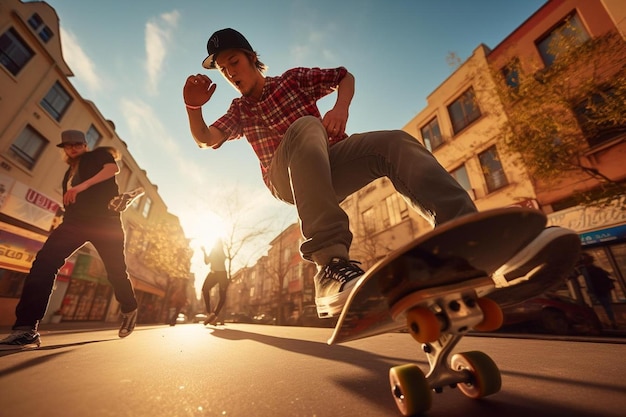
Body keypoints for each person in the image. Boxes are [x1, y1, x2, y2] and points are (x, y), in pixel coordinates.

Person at [182, 28, 573, 319]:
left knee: (394, 142)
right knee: (305, 126)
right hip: (287, 181)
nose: (230, 72)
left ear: (251, 57)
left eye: (233, 62)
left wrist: (341, 108)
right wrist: (193, 108)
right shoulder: (239, 111)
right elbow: (204, 139)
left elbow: (344, 76)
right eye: (222, 68)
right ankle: (332, 266)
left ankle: (472, 242)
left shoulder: (293, 79)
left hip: (330, 164)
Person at [0, 130, 138, 350]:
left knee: (115, 271)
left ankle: (129, 307)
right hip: (76, 222)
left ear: (85, 145)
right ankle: (26, 329)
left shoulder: (97, 155)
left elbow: (113, 169)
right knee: (44, 262)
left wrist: (80, 187)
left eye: (77, 144)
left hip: (106, 223)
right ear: (64, 148)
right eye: (67, 145)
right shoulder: (68, 174)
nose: (72, 148)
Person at [579, 253, 617, 329]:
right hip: (603, 291)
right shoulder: (598, 269)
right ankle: (612, 322)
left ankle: (601, 323)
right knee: (607, 307)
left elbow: (587, 283)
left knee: (594, 308)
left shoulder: (584, 271)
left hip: (594, 292)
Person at [201, 239, 228, 325]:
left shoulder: (215, 250)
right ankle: (213, 315)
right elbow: (207, 262)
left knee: (205, 289)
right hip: (222, 274)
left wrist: (204, 251)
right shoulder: (220, 252)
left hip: (215, 273)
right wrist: (204, 251)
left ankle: (210, 314)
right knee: (222, 297)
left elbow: (206, 262)